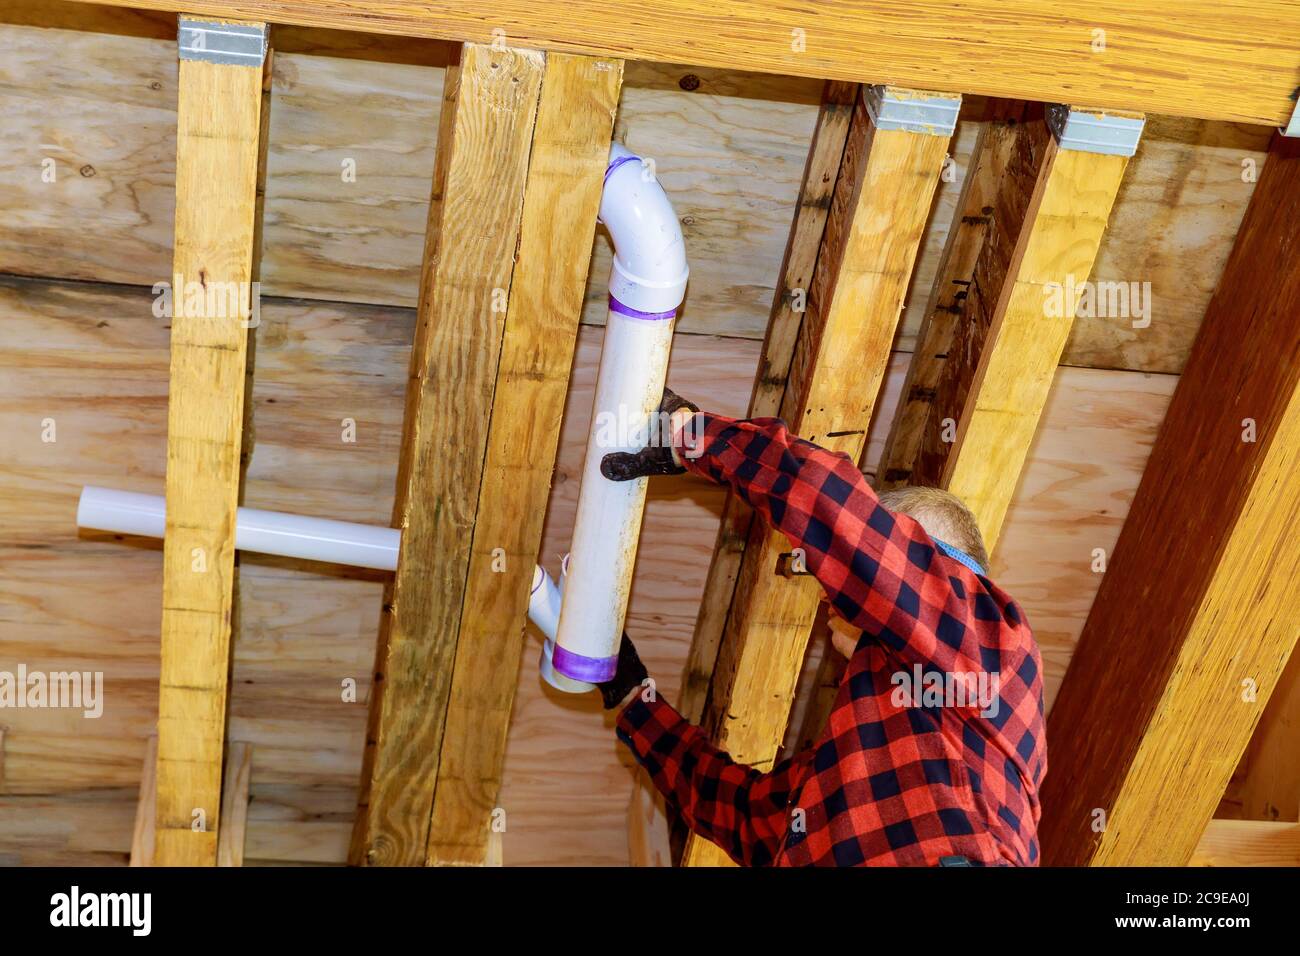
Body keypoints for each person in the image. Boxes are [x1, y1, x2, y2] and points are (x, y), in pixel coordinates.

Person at [595, 390, 1046, 866]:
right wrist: (630, 698)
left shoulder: (988, 637)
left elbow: (830, 507)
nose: (829, 591)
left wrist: (692, 434)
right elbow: (744, 816)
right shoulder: (850, 769)